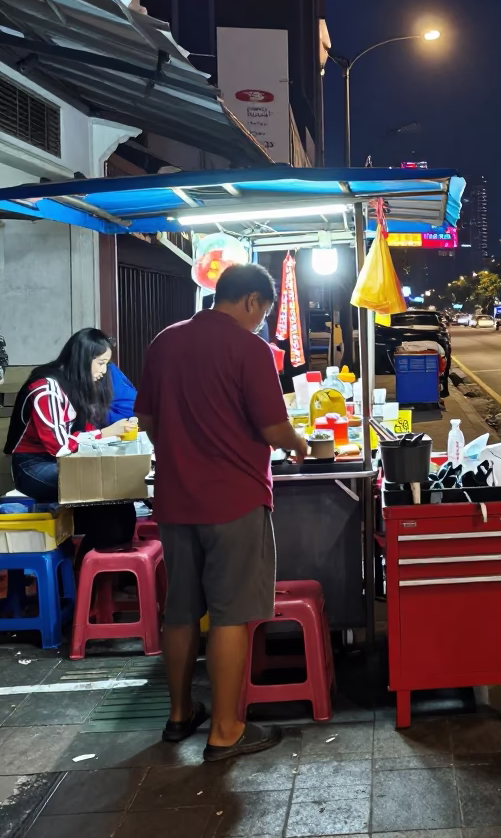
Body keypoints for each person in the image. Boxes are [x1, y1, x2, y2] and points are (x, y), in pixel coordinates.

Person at [136, 264, 308, 763]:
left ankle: (179, 713)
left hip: (175, 499)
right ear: (252, 301)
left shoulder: (165, 341)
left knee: (183, 610)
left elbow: (148, 420)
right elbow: (276, 429)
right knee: (231, 614)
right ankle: (227, 729)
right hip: (233, 500)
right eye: (264, 313)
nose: (261, 323)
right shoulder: (249, 349)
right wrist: (299, 446)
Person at [3, 329, 138, 552]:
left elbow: (84, 432)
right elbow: (59, 447)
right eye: (101, 363)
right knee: (108, 487)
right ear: (84, 359)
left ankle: (98, 574)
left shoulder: (76, 386)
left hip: (62, 460)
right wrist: (106, 433)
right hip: (33, 467)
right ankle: (86, 572)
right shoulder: (47, 388)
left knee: (120, 501)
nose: (104, 371)